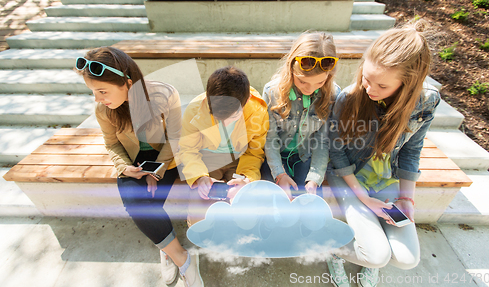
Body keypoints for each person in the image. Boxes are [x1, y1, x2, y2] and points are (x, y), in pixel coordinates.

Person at [76, 47, 203, 287]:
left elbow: (176, 138)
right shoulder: (104, 109)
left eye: (102, 91)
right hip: (134, 162)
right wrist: (125, 168)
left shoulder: (165, 94)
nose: (98, 99)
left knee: (148, 201)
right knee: (135, 200)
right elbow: (112, 143)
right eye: (93, 92)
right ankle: (182, 257)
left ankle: (166, 248)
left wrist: (156, 171)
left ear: (127, 82)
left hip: (168, 158)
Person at [325, 25, 440, 287]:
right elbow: (337, 150)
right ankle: (335, 250)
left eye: (382, 85)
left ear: (407, 85)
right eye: (366, 77)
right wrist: (364, 198)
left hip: (385, 178)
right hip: (349, 174)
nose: (369, 88)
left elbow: (412, 150)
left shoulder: (426, 101)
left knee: (407, 259)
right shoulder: (350, 97)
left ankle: (367, 255)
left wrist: (406, 198)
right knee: (376, 256)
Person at [178, 66, 269, 226]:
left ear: (246, 102)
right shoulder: (194, 110)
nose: (225, 122)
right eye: (218, 117)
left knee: (246, 214)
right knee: (199, 218)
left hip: (240, 160)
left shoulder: (257, 112)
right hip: (206, 160)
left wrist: (247, 179)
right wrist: (200, 176)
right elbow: (188, 150)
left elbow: (254, 153)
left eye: (233, 116)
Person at [261, 32, 341, 199]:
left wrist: (315, 178)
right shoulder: (272, 91)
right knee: (273, 198)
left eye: (319, 83)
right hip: (276, 156)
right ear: (291, 68)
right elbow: (270, 138)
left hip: (305, 156)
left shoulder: (333, 94)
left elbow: (322, 140)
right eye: (303, 81)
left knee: (306, 199)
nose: (309, 89)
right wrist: (279, 174)